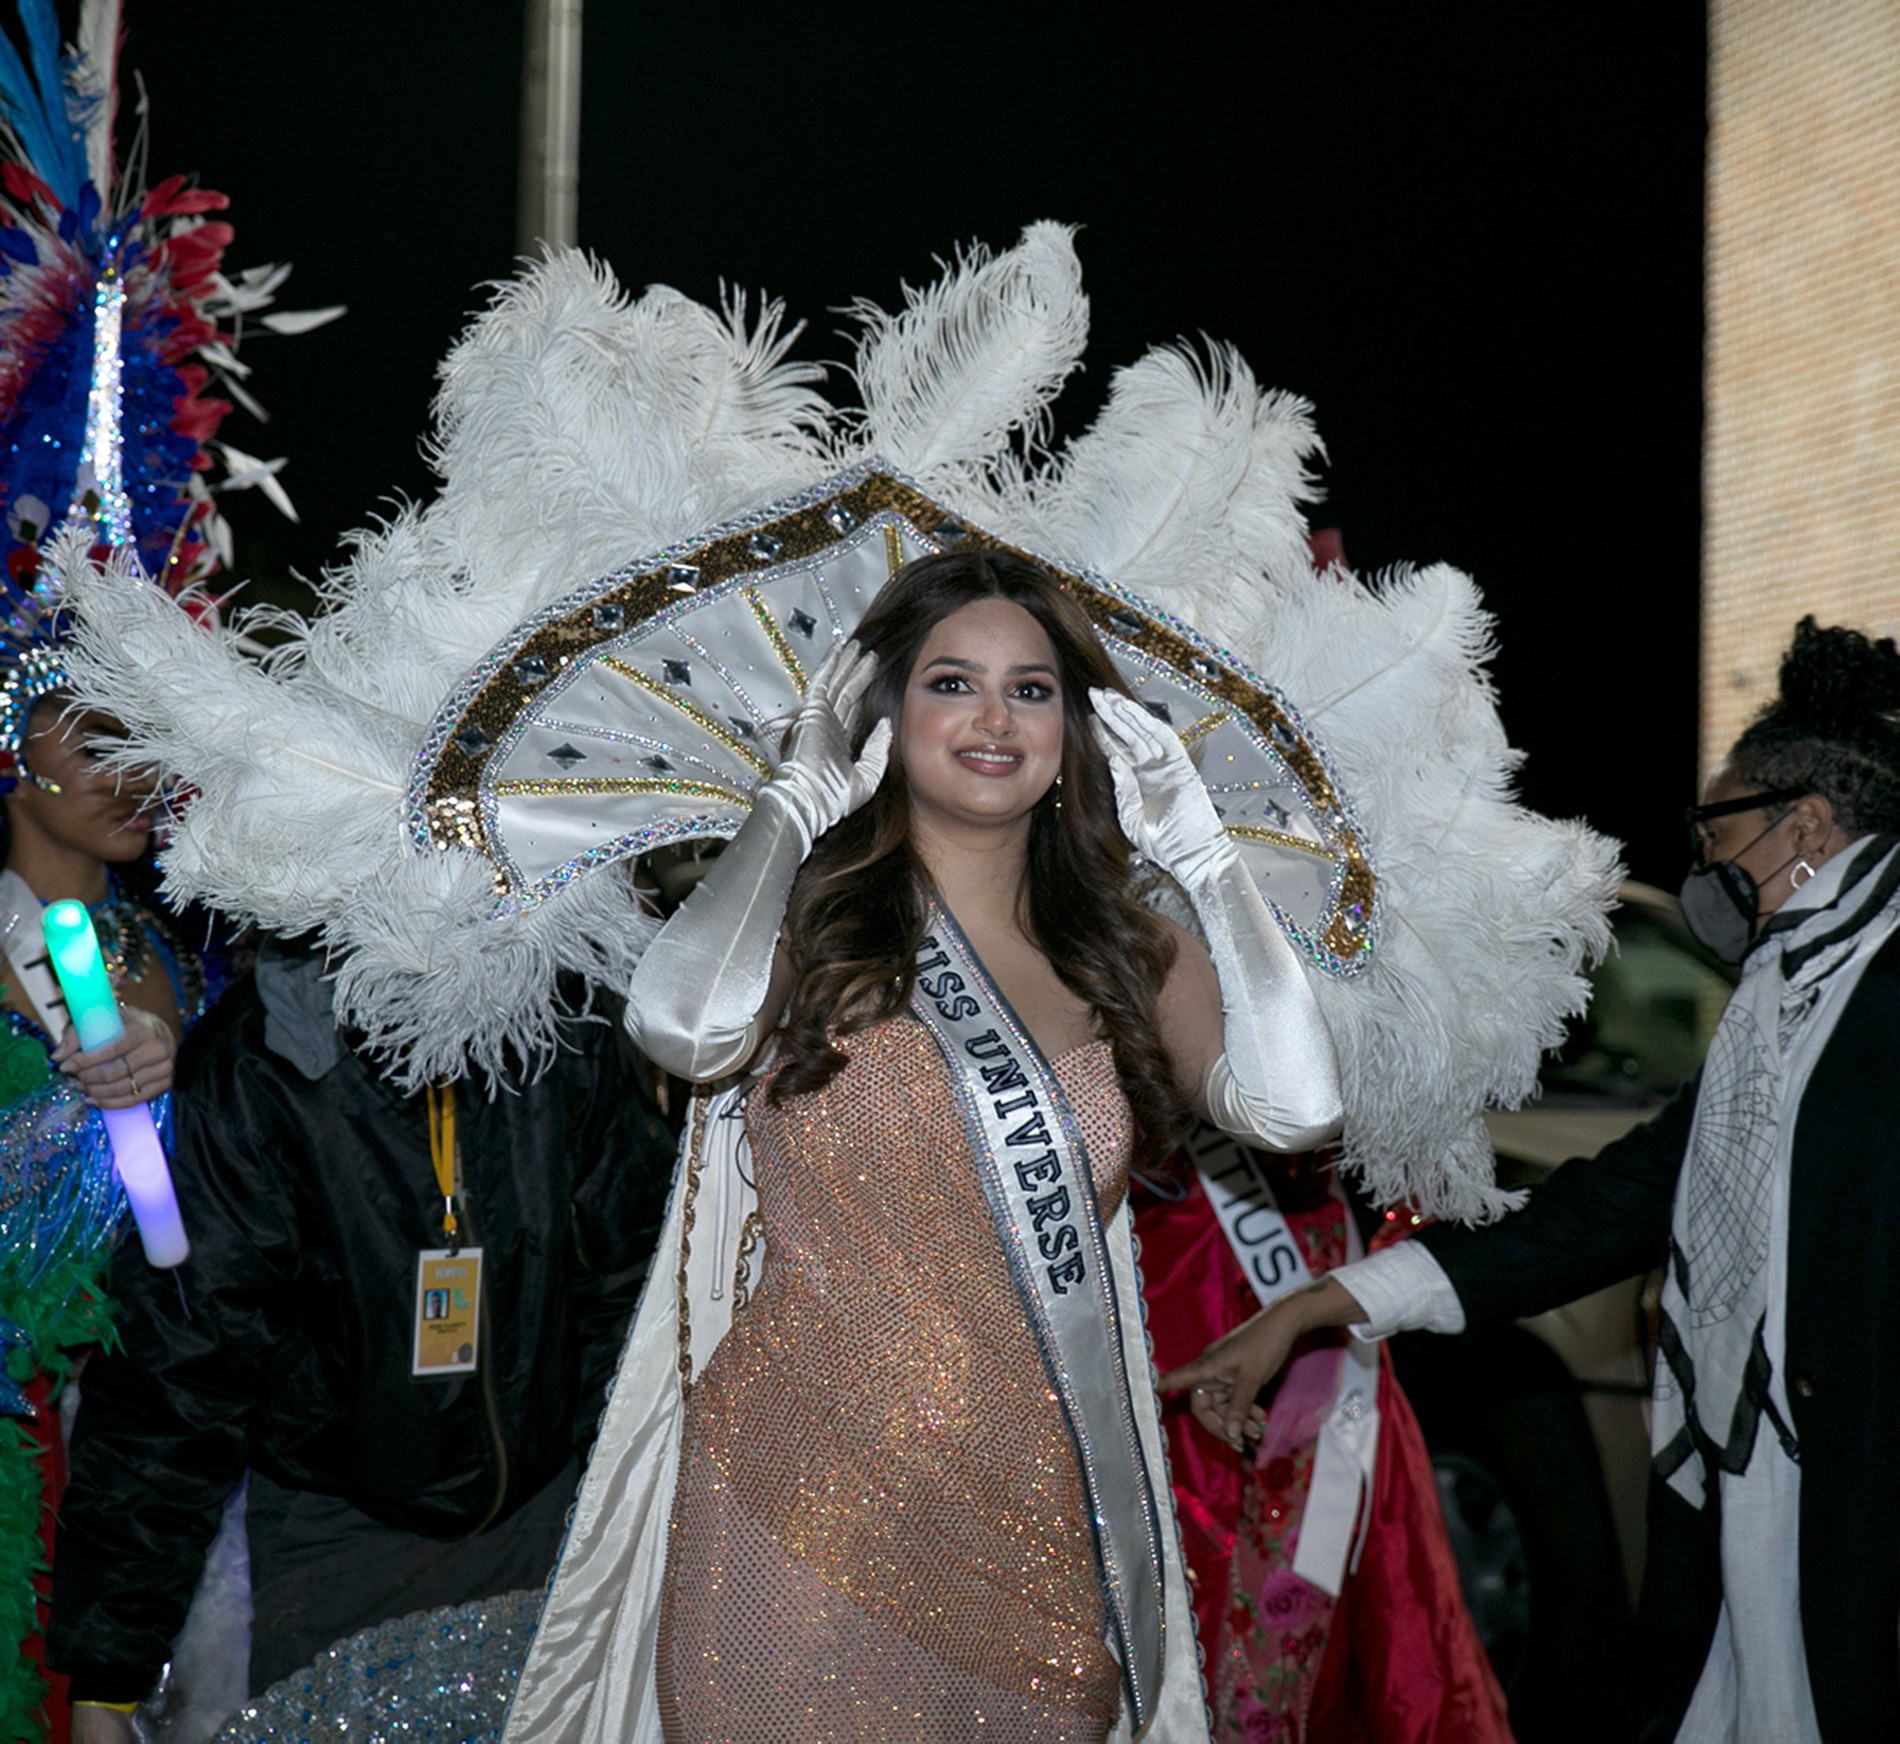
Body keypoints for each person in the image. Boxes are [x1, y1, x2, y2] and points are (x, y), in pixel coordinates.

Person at [504, 546, 1343, 1744]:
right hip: (797, 1518)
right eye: (951, 683)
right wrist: (791, 806)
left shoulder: (1129, 948)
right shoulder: (809, 917)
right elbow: (682, 1029)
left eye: (1031, 689)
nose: (994, 719)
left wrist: (1207, 862)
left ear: (1077, 728)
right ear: (884, 714)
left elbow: (1295, 1108)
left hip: (1036, 1532)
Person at [1163, 618, 1900, 1742]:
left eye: (1718, 831)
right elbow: (1614, 1203)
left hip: (1847, 1527)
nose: (1705, 864)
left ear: (1802, 824)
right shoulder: (1779, 996)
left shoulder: (1878, 992)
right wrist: (1326, 1302)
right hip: (1747, 1503)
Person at [45, 940, 674, 1740]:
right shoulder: (261, 1062)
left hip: (549, 1527)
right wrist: (107, 1677)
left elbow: (627, 1293)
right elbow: (178, 1374)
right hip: (337, 1544)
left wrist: (630, 1521)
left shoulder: (564, 1019)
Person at [0, 690, 214, 1743]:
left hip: (159, 1413)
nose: (136, 773)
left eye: (147, 738)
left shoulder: (177, 948)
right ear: (7, 748)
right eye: (95, 739)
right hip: (21, 1412)